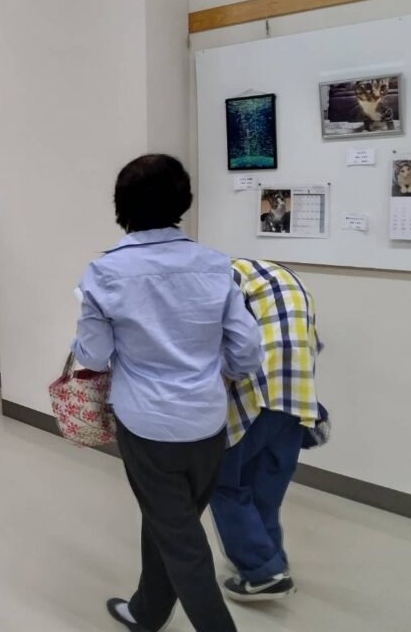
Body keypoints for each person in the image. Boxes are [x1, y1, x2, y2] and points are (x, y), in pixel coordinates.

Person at [71, 154, 262, 632]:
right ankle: (148, 611)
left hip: (147, 426)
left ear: (122, 205)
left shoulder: (104, 272)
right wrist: (222, 373)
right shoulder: (216, 265)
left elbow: (92, 357)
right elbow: (246, 349)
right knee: (170, 521)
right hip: (207, 423)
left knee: (182, 541)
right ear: (183, 201)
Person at [211, 258, 323, 603]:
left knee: (223, 480)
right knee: (265, 488)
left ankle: (263, 572)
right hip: (299, 395)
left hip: (257, 391)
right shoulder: (286, 278)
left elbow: (227, 340)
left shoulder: (220, 274)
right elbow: (314, 342)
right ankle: (274, 562)